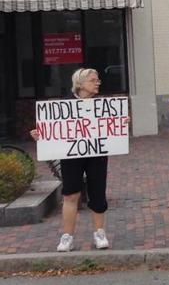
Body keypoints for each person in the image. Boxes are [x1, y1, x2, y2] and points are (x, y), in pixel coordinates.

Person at [31, 68, 110, 252]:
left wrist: (122, 122)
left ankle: (99, 233)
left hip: (96, 154)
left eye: (98, 80)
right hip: (71, 154)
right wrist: (39, 134)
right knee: (70, 194)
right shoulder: (64, 105)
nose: (98, 82)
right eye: (93, 80)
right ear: (80, 84)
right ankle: (67, 236)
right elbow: (52, 129)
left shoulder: (103, 106)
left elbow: (111, 127)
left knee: (98, 192)